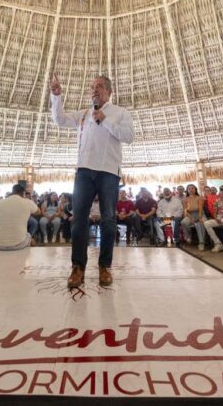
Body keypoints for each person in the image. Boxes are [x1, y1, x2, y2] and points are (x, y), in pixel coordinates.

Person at [50, 74, 134, 288]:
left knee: (108, 219)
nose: (94, 90)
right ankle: (78, 267)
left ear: (109, 91)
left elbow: (128, 136)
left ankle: (105, 267)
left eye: (99, 86)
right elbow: (60, 120)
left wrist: (104, 120)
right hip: (84, 171)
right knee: (79, 219)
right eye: (92, 87)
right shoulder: (84, 114)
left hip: (109, 171)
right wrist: (56, 97)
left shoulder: (120, 113)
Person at [0, 184, 40, 250]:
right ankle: (28, 255)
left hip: (0, 245)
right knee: (30, 238)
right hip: (19, 244)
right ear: (23, 193)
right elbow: (38, 212)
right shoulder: (28, 202)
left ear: (12, 192)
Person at [181, 184, 206, 250]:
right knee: (183, 222)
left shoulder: (199, 198)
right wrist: (191, 218)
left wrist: (199, 217)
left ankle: (201, 242)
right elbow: (185, 210)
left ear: (195, 189)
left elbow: (200, 209)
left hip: (200, 213)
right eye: (189, 188)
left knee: (199, 223)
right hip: (190, 214)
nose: (191, 190)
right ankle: (188, 236)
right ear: (187, 190)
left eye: (192, 188)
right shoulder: (185, 199)